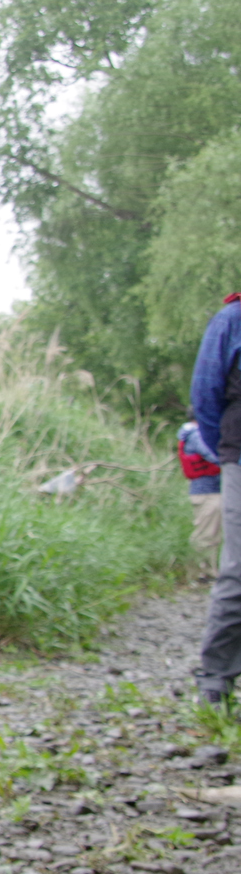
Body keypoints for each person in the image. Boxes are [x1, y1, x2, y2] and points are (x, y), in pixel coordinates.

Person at [194, 292, 241, 703]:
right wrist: (227, 451)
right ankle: (216, 681)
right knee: (238, 572)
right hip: (240, 457)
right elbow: (205, 397)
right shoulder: (232, 320)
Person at [180, 417, 223, 577]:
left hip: (207, 491)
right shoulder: (197, 434)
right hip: (207, 492)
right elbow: (213, 454)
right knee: (207, 534)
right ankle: (202, 573)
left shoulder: (190, 433)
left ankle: (207, 571)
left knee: (211, 532)